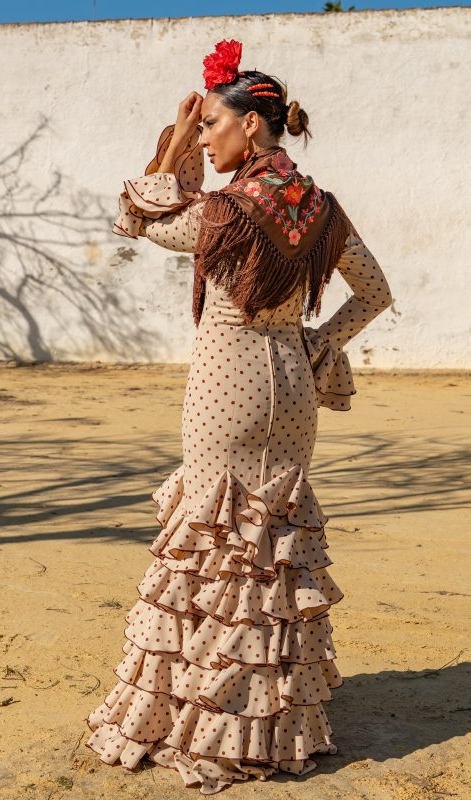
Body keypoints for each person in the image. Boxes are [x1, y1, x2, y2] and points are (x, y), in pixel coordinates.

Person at [84, 39, 392, 796]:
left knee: (216, 535)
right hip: (290, 380)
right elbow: (374, 292)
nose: (211, 138)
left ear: (251, 128)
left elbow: (136, 214)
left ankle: (209, 715)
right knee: (269, 539)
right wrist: (319, 342)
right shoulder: (318, 206)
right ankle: (267, 718)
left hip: (227, 376)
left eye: (217, 124)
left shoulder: (225, 208)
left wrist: (176, 135)